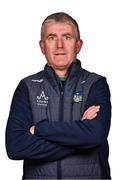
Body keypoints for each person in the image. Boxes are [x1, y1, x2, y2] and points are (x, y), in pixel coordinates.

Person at [6, 12, 111, 179]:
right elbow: (15, 146)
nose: (60, 45)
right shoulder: (27, 87)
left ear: (78, 45)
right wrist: (81, 140)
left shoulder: (96, 84)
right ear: (42, 46)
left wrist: (39, 129)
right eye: (52, 38)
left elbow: (96, 135)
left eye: (67, 37)